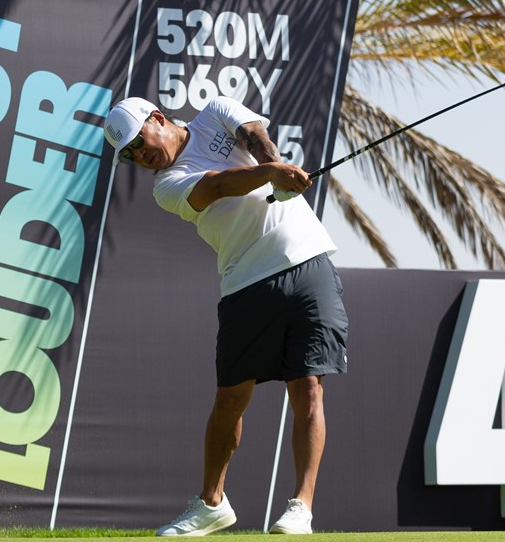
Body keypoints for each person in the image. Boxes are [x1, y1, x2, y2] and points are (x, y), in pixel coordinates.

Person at [103, 96, 349, 536]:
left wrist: (277, 167)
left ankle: (301, 507)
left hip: (309, 260)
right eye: (131, 156)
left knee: (308, 386)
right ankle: (212, 503)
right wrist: (272, 174)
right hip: (246, 283)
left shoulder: (215, 110)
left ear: (157, 119)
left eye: (139, 143)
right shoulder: (167, 186)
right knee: (230, 399)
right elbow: (215, 186)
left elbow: (254, 135)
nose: (141, 157)